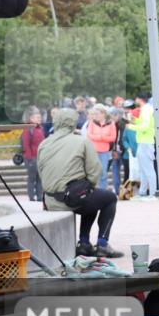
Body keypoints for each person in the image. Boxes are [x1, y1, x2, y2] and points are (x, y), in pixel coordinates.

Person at [38, 108, 124, 257]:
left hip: (51, 200)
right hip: (72, 200)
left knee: (89, 194)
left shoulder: (44, 144)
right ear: (73, 123)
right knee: (108, 198)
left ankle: (84, 243)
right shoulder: (82, 141)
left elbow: (41, 172)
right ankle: (102, 244)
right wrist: (88, 183)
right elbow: (94, 171)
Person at [126, 92, 157, 200]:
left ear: (140, 99)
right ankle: (143, 192)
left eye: (136, 98)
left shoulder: (147, 109)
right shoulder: (145, 109)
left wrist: (131, 126)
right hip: (143, 142)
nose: (135, 100)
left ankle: (153, 193)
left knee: (148, 169)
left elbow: (145, 127)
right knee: (143, 170)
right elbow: (143, 124)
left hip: (146, 142)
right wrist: (134, 121)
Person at [85, 104, 117, 190]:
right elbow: (89, 135)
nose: (95, 116)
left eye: (97, 114)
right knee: (92, 173)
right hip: (93, 152)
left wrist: (101, 137)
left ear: (103, 114)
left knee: (103, 173)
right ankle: (91, 191)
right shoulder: (92, 123)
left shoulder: (111, 123)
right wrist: (101, 137)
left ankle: (102, 191)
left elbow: (113, 138)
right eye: (94, 114)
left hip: (104, 152)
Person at [21, 106, 45, 202]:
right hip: (31, 158)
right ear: (31, 118)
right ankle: (31, 197)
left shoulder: (40, 128)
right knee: (32, 178)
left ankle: (39, 196)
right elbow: (26, 145)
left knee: (39, 178)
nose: (39, 119)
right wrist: (30, 159)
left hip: (40, 157)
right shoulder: (28, 129)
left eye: (40, 117)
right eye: (37, 117)